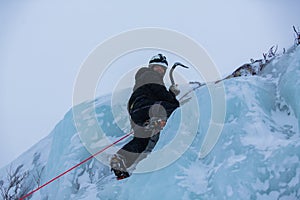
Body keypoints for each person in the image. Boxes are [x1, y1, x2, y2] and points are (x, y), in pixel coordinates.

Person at [110, 53, 180, 179]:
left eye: (162, 69)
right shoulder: (149, 75)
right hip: (147, 106)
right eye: (157, 67)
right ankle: (156, 121)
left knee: (141, 141)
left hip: (137, 113)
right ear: (151, 67)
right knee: (172, 107)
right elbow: (161, 93)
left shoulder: (142, 79)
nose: (159, 70)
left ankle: (121, 160)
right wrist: (173, 96)